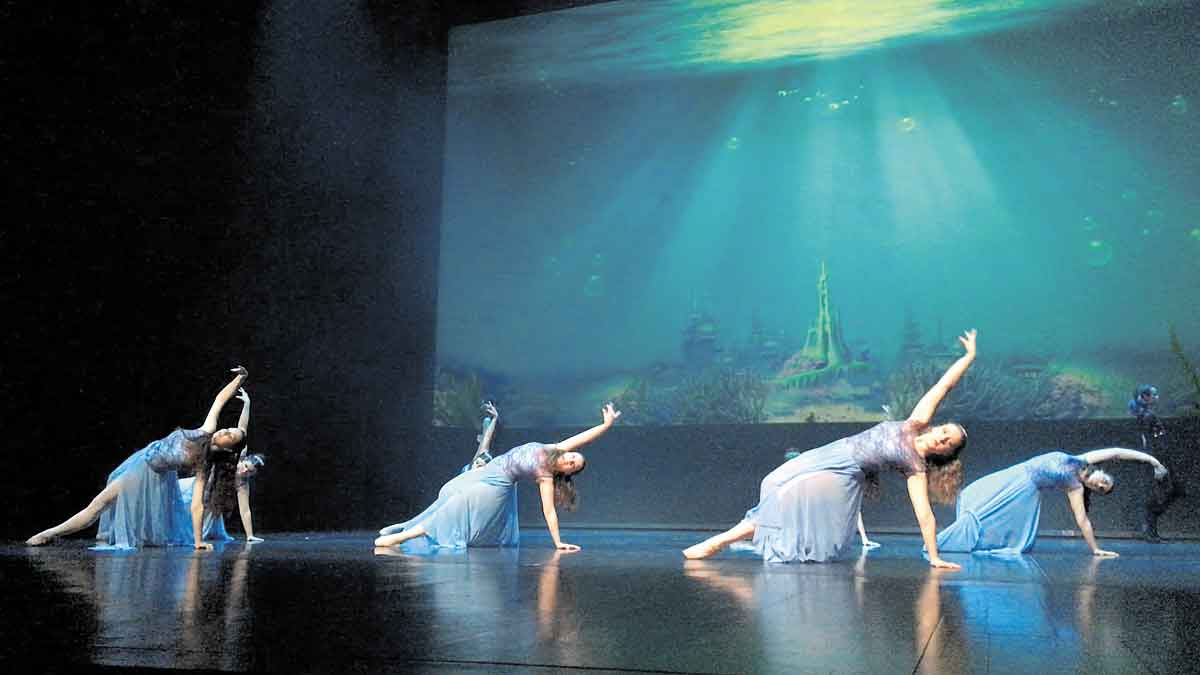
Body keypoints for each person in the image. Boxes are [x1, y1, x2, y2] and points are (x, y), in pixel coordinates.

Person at [682, 330, 978, 568]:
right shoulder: (916, 422)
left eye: (947, 442)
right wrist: (969, 356)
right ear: (937, 427)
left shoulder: (915, 466)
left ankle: (716, 543)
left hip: (844, 476)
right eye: (944, 431)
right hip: (833, 452)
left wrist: (935, 556)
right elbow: (943, 386)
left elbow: (924, 515)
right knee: (773, 483)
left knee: (787, 500)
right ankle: (726, 540)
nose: (941, 437)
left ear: (945, 453)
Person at [26, 367, 251, 550]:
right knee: (99, 505)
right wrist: (240, 378)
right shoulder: (207, 429)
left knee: (98, 504)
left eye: (230, 435)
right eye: (229, 428)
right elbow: (220, 400)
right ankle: (51, 533)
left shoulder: (204, 464)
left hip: (148, 473)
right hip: (142, 457)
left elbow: (196, 506)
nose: (225, 431)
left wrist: (199, 541)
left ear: (226, 449)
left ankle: (48, 533)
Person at [375, 403, 621, 552]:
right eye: (573, 456)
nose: (571, 460)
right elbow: (585, 438)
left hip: (498, 485)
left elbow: (549, 512)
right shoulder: (554, 446)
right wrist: (606, 425)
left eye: (573, 465)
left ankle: (402, 537)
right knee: (448, 493)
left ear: (567, 473)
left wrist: (557, 542)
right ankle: (406, 530)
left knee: (455, 506)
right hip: (490, 469)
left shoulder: (545, 475)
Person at [936, 448, 1167, 557]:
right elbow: (1117, 452)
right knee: (978, 498)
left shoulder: (1074, 487)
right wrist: (1152, 460)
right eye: (1104, 481)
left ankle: (957, 538)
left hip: (1024, 490)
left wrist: (1096, 549)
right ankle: (958, 533)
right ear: (1102, 472)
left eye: (1101, 489)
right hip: (1015, 474)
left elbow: (1082, 521)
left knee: (991, 518)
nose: (1099, 485)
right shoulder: (1082, 460)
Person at [179, 447, 267, 543]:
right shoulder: (228, 463)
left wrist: (250, 535)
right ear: (243, 460)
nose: (245, 471)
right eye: (245, 466)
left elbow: (245, 510)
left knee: (195, 531)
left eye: (250, 472)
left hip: (209, 504)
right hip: (195, 491)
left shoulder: (242, 483)